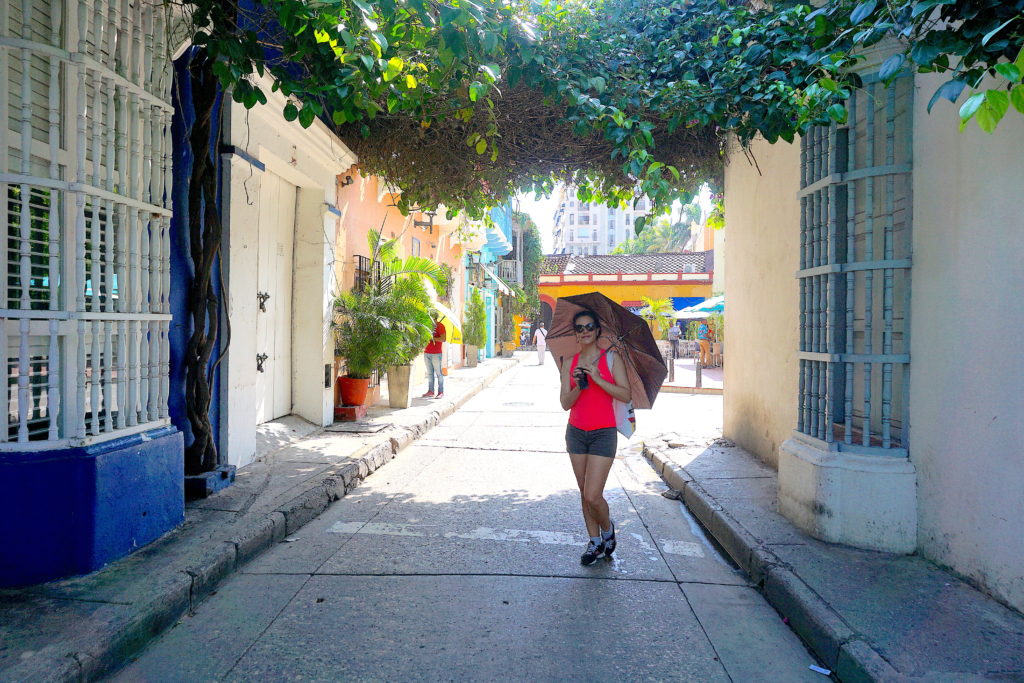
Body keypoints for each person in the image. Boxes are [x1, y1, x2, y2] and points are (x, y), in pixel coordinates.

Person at [559, 309, 632, 566]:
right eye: (580, 328)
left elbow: (624, 394)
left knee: (593, 495)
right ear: (575, 333)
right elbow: (565, 403)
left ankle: (607, 529)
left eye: (590, 326)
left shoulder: (612, 358)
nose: (585, 331)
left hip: (603, 432)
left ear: (598, 330)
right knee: (583, 492)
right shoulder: (569, 362)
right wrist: (580, 385)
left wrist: (598, 378)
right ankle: (595, 542)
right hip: (576, 432)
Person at [422, 313, 446, 399]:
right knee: (429, 373)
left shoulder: (440, 326)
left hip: (436, 353)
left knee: (439, 373)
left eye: (430, 317)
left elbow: (443, 339)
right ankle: (431, 391)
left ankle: (440, 392)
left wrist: (432, 338)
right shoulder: (427, 326)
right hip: (427, 352)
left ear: (434, 318)